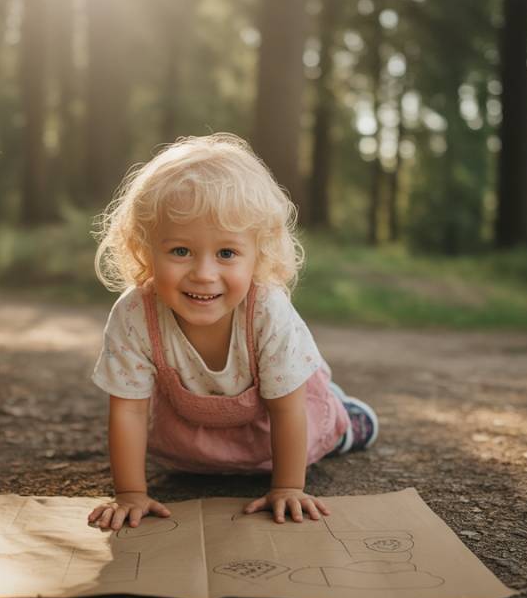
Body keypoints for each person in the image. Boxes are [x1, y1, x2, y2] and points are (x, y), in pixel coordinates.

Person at [87, 133, 378, 531]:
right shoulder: (136, 313)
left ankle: (346, 414)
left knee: (321, 433)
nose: (204, 274)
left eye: (226, 253)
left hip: (276, 427)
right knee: (196, 466)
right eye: (180, 251)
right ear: (145, 248)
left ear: (259, 253)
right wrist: (131, 493)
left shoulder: (267, 309)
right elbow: (130, 410)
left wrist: (288, 487)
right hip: (192, 441)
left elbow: (287, 408)